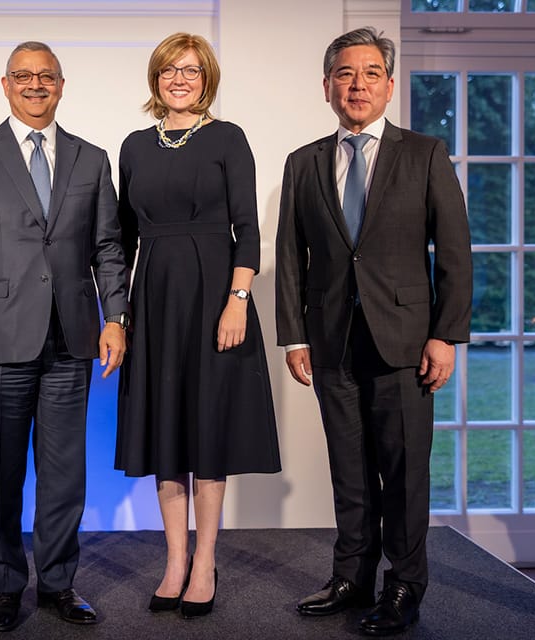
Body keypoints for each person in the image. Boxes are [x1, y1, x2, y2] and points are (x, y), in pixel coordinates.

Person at [275, 26, 473, 636]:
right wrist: (294, 334)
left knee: (405, 471)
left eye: (369, 74)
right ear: (327, 88)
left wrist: (446, 335)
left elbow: (457, 254)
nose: (356, 85)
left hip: (407, 342)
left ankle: (404, 586)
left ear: (389, 86)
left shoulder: (426, 154)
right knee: (350, 469)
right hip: (331, 341)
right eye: (344, 74)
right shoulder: (303, 161)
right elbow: (289, 255)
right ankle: (352, 577)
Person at [0, 41, 129, 632]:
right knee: (1, 474)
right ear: (5, 85)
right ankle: (4, 585)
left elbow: (107, 248)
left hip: (72, 339)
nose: (35, 84)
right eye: (24, 76)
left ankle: (58, 583)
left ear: (62, 84)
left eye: (46, 76)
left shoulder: (91, 159)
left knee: (65, 472)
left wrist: (116, 317)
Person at [114, 32, 281, 619]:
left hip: (215, 298)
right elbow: (123, 239)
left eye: (191, 70)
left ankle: (205, 562)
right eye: (169, 71)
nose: (179, 80)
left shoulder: (227, 139)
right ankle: (174, 561)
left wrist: (237, 299)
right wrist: (120, 315)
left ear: (207, 78)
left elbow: (248, 229)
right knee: (167, 434)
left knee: (206, 433)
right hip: (155, 302)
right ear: (155, 80)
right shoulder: (133, 146)